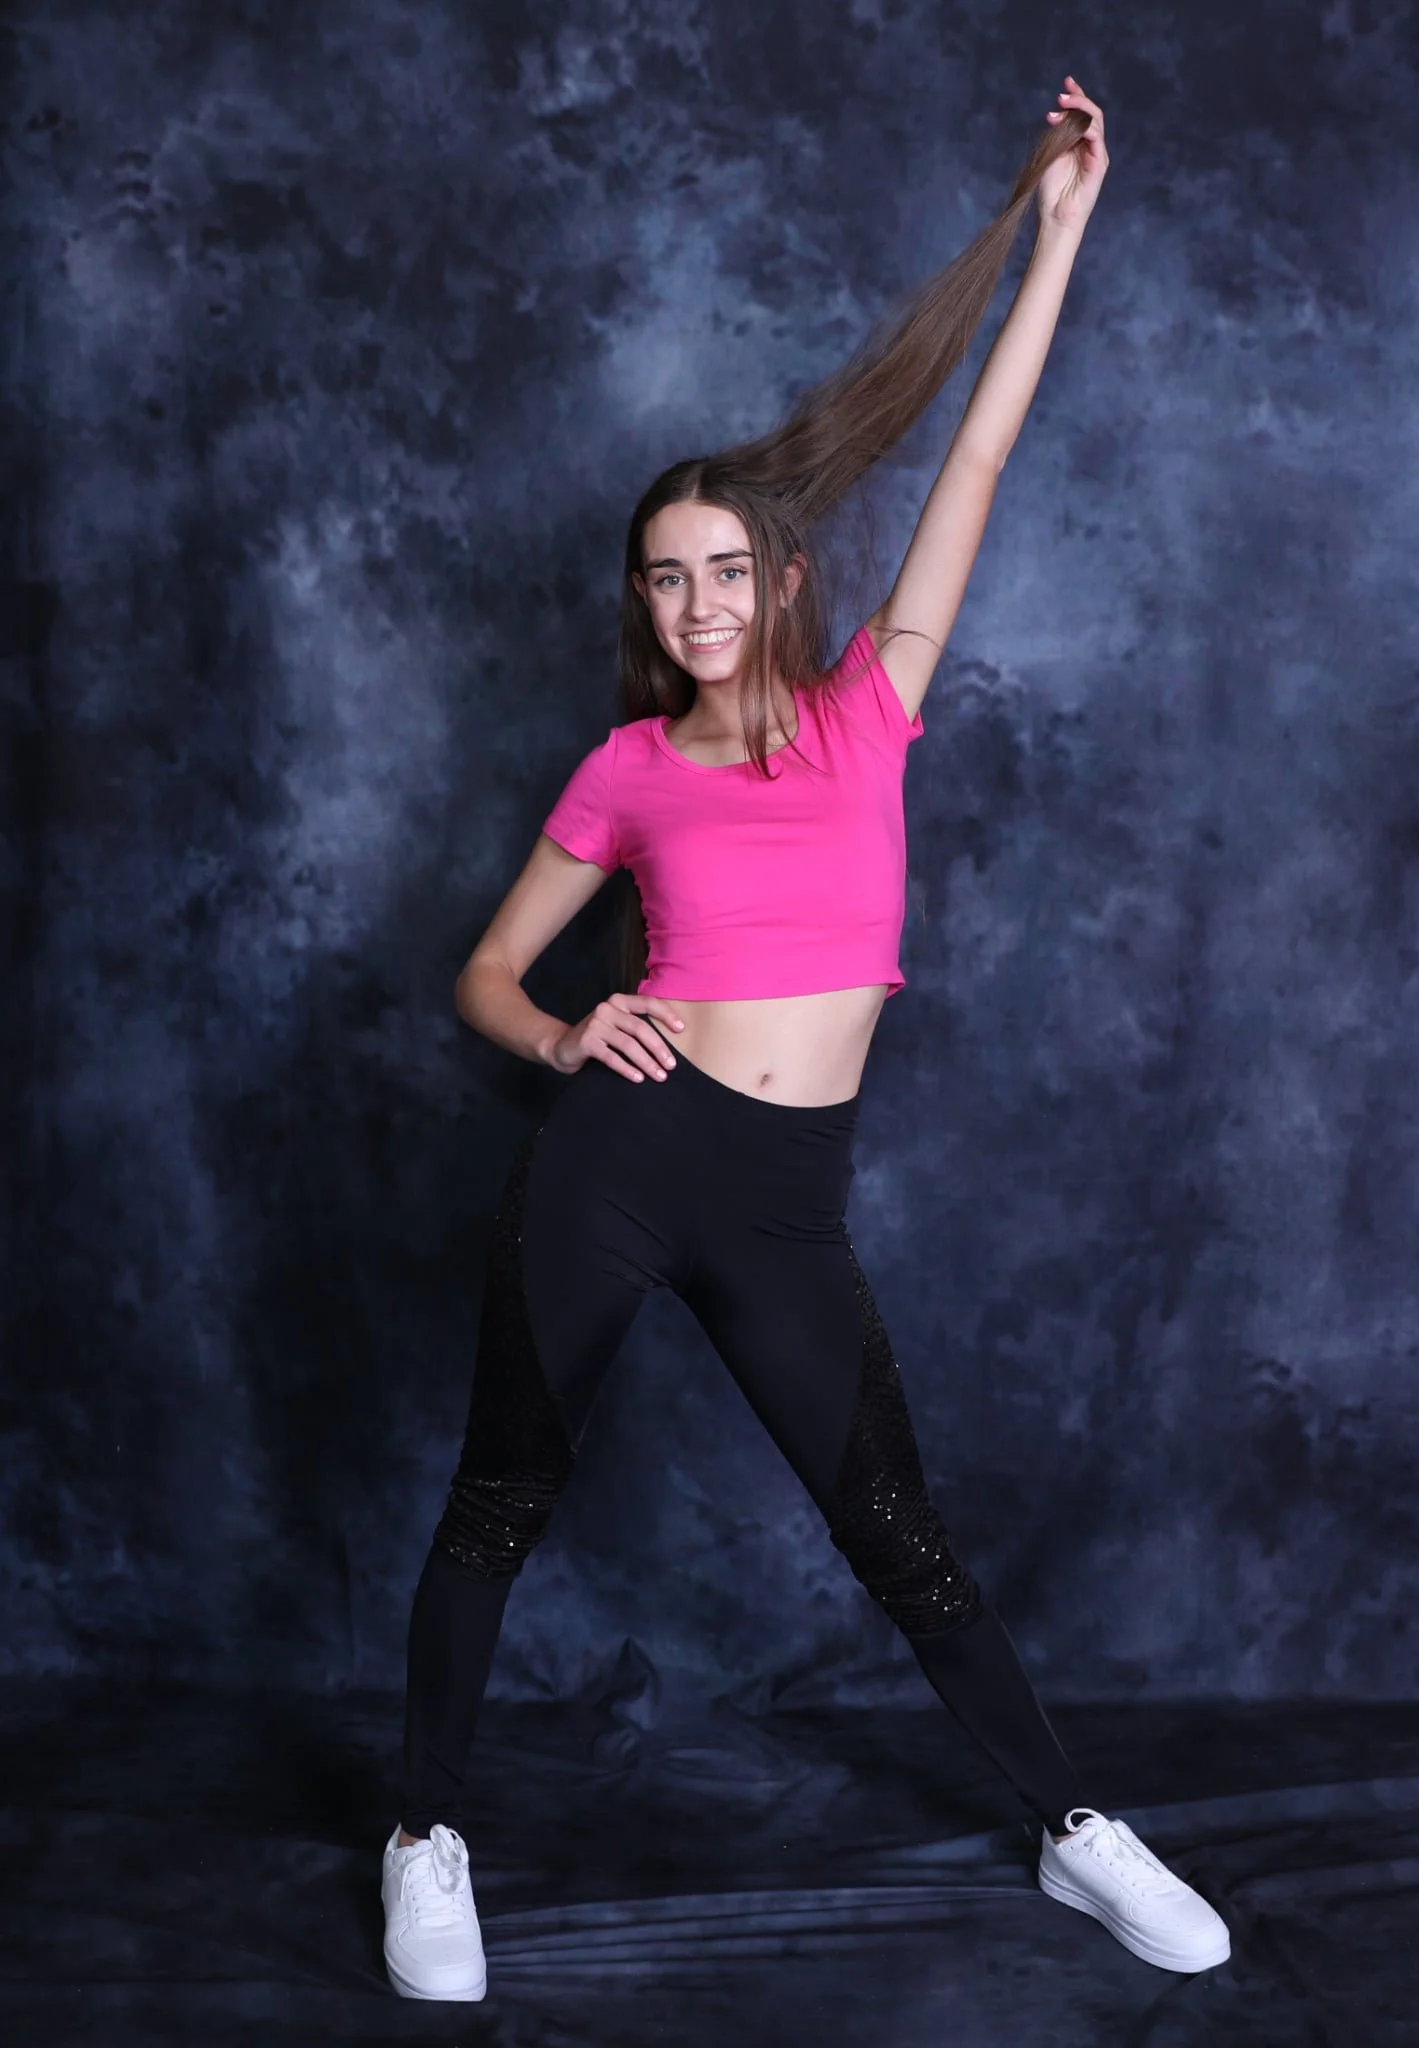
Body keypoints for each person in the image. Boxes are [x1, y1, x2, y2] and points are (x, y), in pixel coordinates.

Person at [381, 78, 1231, 2001]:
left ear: (780, 580)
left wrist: (1059, 232)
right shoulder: (621, 767)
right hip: (617, 1163)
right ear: (646, 601)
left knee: (897, 1535)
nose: (692, 602)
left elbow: (982, 468)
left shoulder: (865, 710)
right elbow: (482, 978)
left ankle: (1074, 1835)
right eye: (661, 575)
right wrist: (562, 1031)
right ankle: (423, 1838)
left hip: (779, 1196)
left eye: (724, 569)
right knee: (498, 1496)